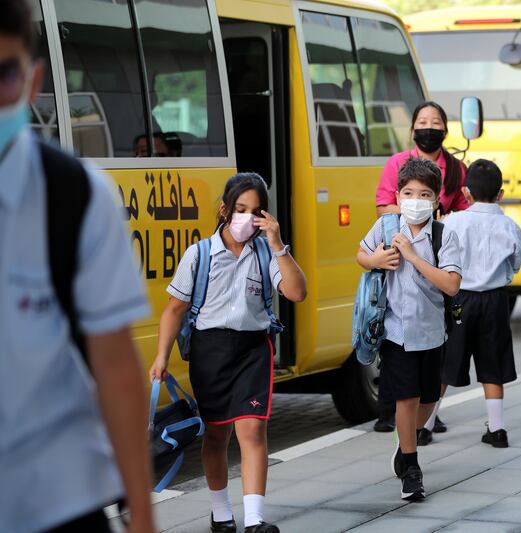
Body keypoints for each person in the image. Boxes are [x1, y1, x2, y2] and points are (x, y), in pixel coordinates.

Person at [0, 2, 156, 531]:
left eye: (3, 75)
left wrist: (143, 512)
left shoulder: (75, 195)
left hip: (60, 501)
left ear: (33, 80)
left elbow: (114, 361)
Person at [149, 173, 307, 533]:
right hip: (211, 351)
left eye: (255, 211)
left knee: (251, 432)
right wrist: (161, 357)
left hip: (253, 350)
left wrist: (278, 243)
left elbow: (297, 293)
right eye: (239, 209)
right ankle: (221, 514)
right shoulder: (200, 254)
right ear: (224, 209)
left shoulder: (267, 253)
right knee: (217, 435)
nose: (246, 218)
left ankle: (254, 520)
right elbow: (174, 309)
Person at [357, 158, 461, 501]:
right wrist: (376, 260)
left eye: (424, 194)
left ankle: (405, 445)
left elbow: (451, 285)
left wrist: (413, 257)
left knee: (428, 400)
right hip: (394, 331)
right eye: (408, 192)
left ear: (435, 200)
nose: (415, 199)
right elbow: (361, 254)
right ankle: (412, 469)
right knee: (407, 397)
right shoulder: (386, 226)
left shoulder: (444, 234)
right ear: (398, 195)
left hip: (431, 331)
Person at [373, 100, 466, 435]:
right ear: (412, 129)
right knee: (397, 346)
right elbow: (383, 204)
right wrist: (407, 223)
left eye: (436, 121)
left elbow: (463, 208)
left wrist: (440, 222)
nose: (429, 127)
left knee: (431, 347)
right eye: (423, 121)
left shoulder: (455, 169)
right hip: (403, 251)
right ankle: (395, 422)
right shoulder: (397, 163)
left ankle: (424, 416)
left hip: (437, 258)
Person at [429, 159, 521, 448]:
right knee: (493, 362)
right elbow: (515, 265)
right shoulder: (511, 226)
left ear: (466, 193)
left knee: (447, 361)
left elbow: (441, 256)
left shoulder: (453, 221)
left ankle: (425, 425)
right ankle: (497, 430)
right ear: (501, 193)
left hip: (459, 298)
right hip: (495, 300)